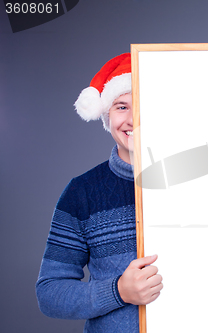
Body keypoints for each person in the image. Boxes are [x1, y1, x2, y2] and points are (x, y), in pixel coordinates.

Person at [36, 53, 163, 333]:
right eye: (121, 106)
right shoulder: (82, 192)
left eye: (144, 103)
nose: (133, 119)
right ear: (106, 115)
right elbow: (50, 293)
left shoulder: (207, 184)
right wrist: (118, 291)